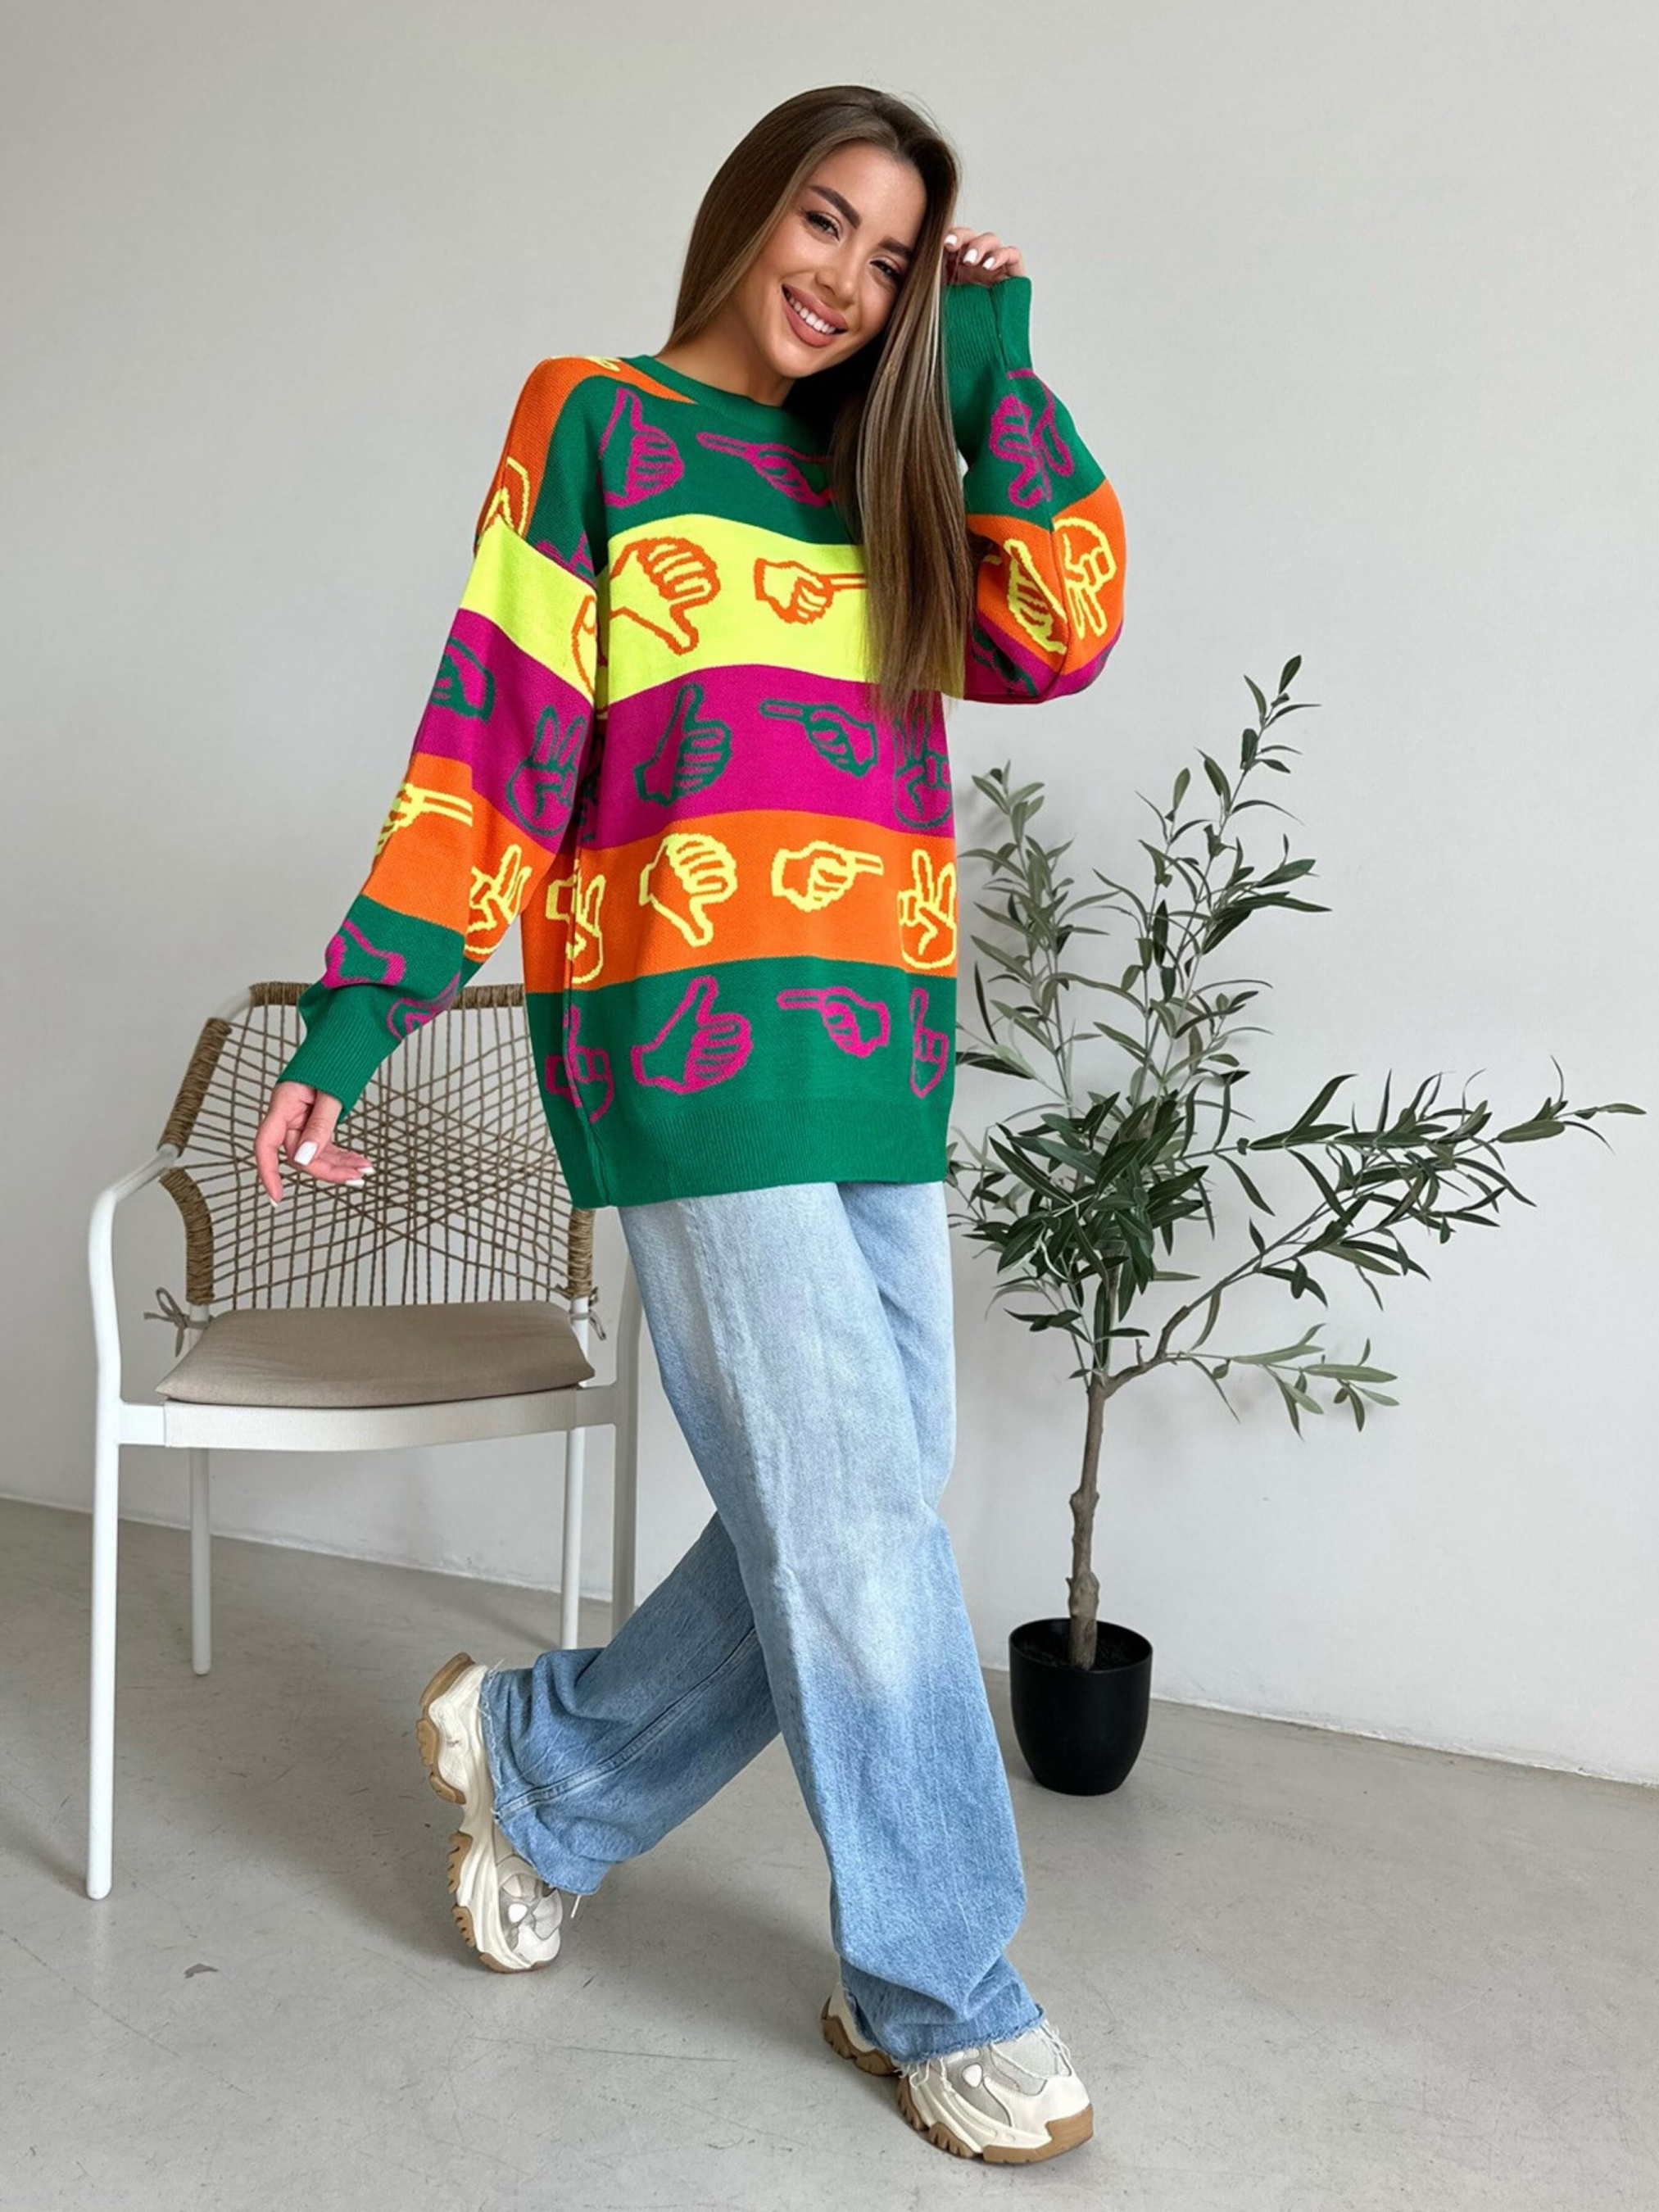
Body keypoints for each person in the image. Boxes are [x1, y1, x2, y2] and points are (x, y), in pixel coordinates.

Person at [252, 82, 1125, 2164]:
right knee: (851, 1518)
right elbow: (493, 729)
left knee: (861, 1498)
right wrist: (359, 1017)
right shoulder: (598, 422)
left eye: (891, 260)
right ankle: (938, 1987)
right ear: (749, 210)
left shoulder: (877, 475)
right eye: (822, 222)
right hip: (677, 1038)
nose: (844, 280)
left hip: (874, 1048)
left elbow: (1059, 627)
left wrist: (987, 372)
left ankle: (545, 1765)